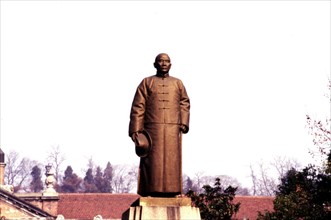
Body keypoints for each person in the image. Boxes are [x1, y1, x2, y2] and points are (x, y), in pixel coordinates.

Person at [129, 53, 190, 197]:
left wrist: (183, 122)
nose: (163, 64)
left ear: (170, 65)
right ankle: (150, 190)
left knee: (172, 161)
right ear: (155, 64)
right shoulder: (146, 82)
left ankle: (173, 191)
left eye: (166, 61)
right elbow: (138, 106)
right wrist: (136, 130)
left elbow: (185, 103)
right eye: (160, 61)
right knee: (152, 162)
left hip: (172, 129)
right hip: (151, 130)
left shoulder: (178, 83)